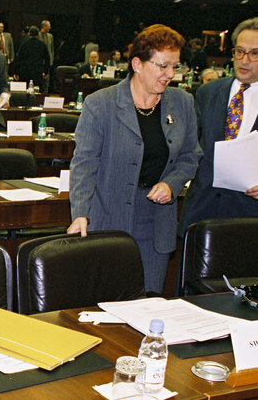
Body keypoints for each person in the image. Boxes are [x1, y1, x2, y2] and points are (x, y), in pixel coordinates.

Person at [67, 24, 202, 294]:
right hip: (108, 217)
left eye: (175, 67)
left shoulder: (182, 102)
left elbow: (191, 155)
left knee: (147, 299)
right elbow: (84, 163)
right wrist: (80, 213)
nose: (170, 75)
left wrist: (171, 184)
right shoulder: (101, 104)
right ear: (137, 64)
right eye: (163, 66)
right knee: (106, 303)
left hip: (156, 223)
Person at [179, 17, 258, 234]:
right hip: (202, 211)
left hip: (251, 215)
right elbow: (189, 148)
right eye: (239, 51)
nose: (244, 60)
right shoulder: (208, 92)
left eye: (255, 53)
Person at [16, 26, 49, 91]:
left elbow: (18, 59)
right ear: (38, 34)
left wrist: (16, 72)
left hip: (25, 71)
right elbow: (47, 59)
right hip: (38, 71)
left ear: (29, 34)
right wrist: (46, 71)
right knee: (37, 91)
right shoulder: (42, 45)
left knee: (26, 91)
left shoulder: (24, 44)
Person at [40, 20, 55, 91]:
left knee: (47, 80)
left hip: (48, 61)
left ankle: (45, 92)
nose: (50, 27)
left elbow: (51, 49)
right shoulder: (38, 35)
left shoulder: (50, 36)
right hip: (40, 61)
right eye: (49, 26)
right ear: (44, 26)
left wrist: (51, 59)